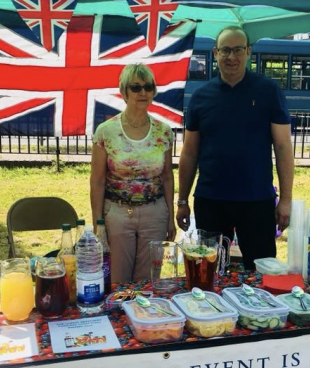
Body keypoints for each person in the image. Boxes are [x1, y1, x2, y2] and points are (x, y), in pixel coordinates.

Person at [176, 26, 295, 270]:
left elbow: (283, 148)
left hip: (257, 200)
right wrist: (182, 200)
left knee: (260, 270)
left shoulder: (268, 91)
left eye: (238, 49)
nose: (232, 57)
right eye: (226, 50)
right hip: (210, 200)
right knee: (211, 271)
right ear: (215, 53)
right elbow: (189, 152)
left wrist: (286, 200)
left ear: (248, 51)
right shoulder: (200, 97)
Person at [90, 63, 176, 283]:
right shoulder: (106, 131)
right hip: (117, 213)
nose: (143, 92)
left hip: (155, 213)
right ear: (124, 92)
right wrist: (98, 222)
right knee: (118, 280)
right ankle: (120, 318)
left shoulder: (164, 131)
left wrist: (170, 218)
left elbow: (167, 176)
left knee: (148, 280)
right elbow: (98, 181)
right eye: (135, 87)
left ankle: (144, 318)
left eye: (148, 87)